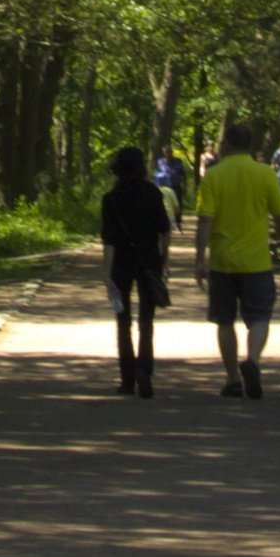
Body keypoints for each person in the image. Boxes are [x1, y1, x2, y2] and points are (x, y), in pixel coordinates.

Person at [191, 129, 280, 400]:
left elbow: (205, 220)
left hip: (223, 262)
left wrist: (200, 258)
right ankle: (253, 361)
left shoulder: (213, 176)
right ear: (250, 145)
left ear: (226, 144)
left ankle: (233, 379)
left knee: (224, 321)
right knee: (259, 317)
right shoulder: (265, 174)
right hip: (257, 261)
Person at [96, 143, 171, 397]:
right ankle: (145, 370)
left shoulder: (110, 200)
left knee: (123, 321)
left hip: (120, 264)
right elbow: (164, 229)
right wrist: (165, 259)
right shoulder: (153, 193)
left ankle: (127, 378)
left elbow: (108, 240)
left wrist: (106, 274)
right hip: (149, 262)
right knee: (147, 321)